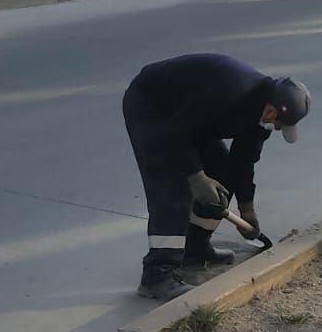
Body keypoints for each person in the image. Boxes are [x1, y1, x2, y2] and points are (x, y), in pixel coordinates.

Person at [121, 53, 311, 300]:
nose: (276, 127)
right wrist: (196, 176)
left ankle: (195, 248)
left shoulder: (261, 117)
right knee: (173, 187)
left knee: (223, 173)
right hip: (153, 108)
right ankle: (157, 276)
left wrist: (247, 207)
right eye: (278, 121)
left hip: (190, 119)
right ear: (271, 107)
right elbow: (176, 131)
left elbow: (243, 161)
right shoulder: (231, 89)